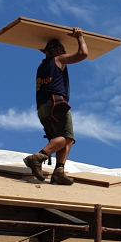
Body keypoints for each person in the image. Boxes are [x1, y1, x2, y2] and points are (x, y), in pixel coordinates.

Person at [23, 27, 88, 185]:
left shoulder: (42, 66)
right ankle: (37, 157)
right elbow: (83, 54)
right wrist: (79, 36)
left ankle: (59, 171)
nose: (64, 50)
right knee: (67, 137)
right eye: (61, 48)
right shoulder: (59, 59)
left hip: (42, 108)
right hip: (56, 104)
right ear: (56, 50)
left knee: (63, 140)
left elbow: (50, 56)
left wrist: (48, 52)